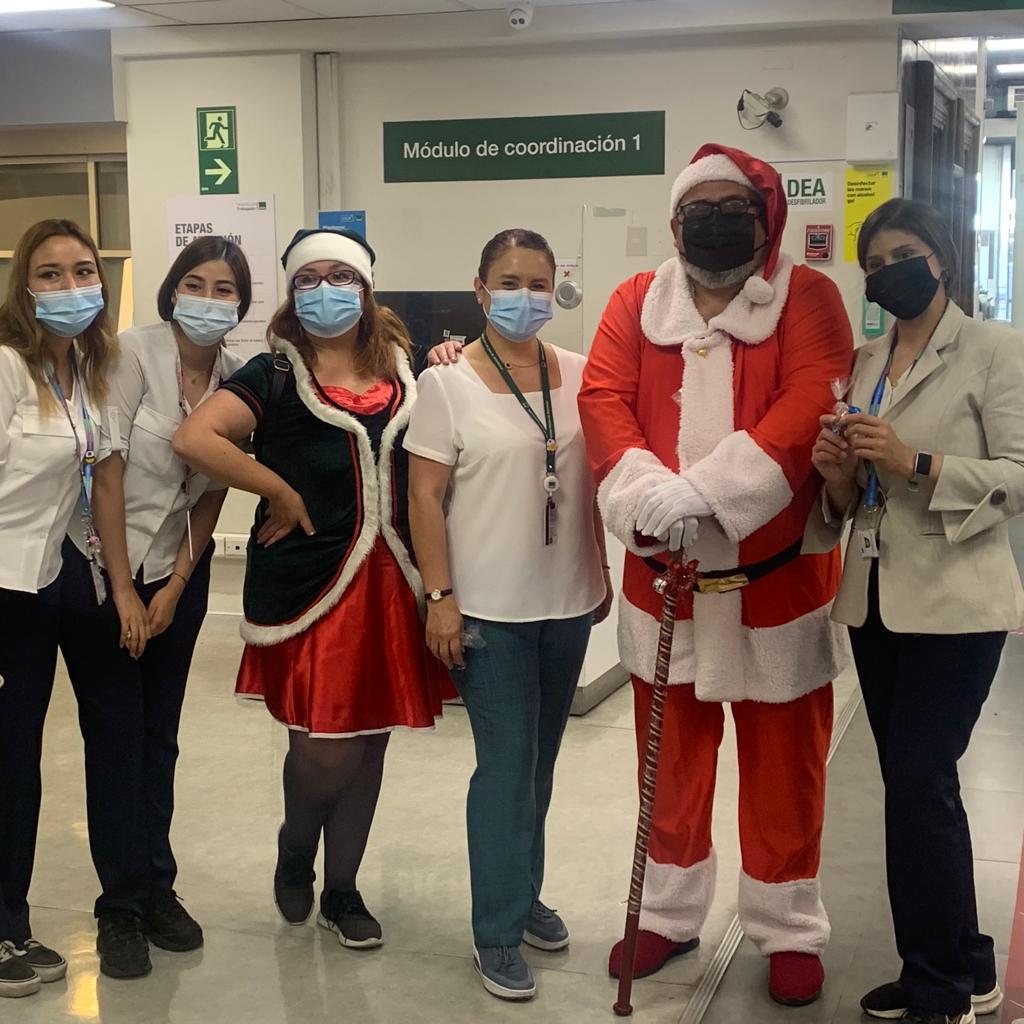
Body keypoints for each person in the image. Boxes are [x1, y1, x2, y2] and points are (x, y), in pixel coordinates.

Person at [578, 143, 854, 1007]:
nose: (715, 223)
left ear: (766, 219)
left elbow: (809, 404)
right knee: (668, 763)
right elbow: (603, 399)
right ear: (674, 224)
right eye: (700, 210)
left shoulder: (808, 297)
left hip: (776, 580)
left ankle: (787, 926)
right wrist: (646, 496)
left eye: (735, 209)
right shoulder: (636, 299)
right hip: (664, 576)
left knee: (786, 769)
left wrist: (703, 494)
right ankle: (667, 914)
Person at [173, 227, 447, 950]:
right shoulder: (271, 373)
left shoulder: (407, 367)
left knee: (369, 747)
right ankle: (296, 845)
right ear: (293, 292)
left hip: (394, 584)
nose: (327, 291)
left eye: (342, 277)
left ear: (366, 288)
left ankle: (343, 889)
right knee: (326, 750)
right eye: (310, 279)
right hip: (311, 589)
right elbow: (196, 439)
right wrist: (278, 489)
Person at [807, 198, 1023, 1024]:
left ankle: (940, 985)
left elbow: (1019, 476)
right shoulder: (866, 361)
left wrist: (915, 461)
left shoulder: (995, 350)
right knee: (912, 786)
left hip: (957, 604)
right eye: (872, 264)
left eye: (902, 255)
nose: (887, 273)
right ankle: (957, 960)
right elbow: (856, 493)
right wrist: (838, 472)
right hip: (874, 599)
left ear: (941, 260)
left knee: (922, 780)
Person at [405, 228, 612, 1002]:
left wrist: (599, 571)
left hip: (566, 603)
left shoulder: (583, 374)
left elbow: (591, 481)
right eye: (509, 281)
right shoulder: (447, 383)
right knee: (505, 768)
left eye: (539, 282)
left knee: (540, 763)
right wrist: (440, 598)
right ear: (481, 290)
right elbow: (425, 496)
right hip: (486, 611)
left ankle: (523, 895)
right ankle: (495, 928)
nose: (525, 295)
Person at [78, 236, 252, 969]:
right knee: (116, 734)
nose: (208, 300)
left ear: (241, 304)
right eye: (196, 284)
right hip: (104, 567)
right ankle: (119, 907)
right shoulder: (131, 354)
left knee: (160, 735)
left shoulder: (238, 380)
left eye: (224, 289)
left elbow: (210, 494)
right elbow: (108, 473)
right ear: (173, 289)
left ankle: (157, 887)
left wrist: (177, 587)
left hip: (179, 570)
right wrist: (125, 590)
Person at [0, 219, 116, 997]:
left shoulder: (79, 370)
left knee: (19, 767)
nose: (69, 286)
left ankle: (11, 922)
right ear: (25, 287)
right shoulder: (7, 366)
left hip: (39, 586)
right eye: (50, 274)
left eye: (81, 271)